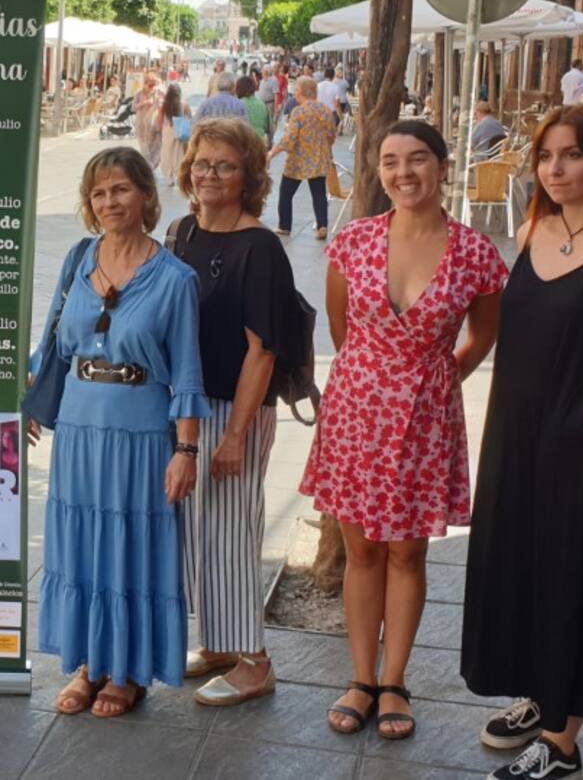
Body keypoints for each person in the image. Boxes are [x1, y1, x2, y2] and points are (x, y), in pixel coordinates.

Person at [300, 120, 506, 741]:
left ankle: (395, 681)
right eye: (390, 162)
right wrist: (375, 379)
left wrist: (438, 378)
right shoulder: (354, 241)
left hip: (424, 419)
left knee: (408, 554)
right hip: (357, 412)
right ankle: (361, 679)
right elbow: (341, 330)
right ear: (378, 170)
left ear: (443, 167)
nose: (404, 173)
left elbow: (484, 336)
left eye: (418, 159)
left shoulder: (476, 253)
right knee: (362, 550)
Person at [34, 146, 209, 719]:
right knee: (84, 547)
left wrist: (185, 449)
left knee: (132, 548)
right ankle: (88, 664)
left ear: (146, 197)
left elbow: (186, 372)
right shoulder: (78, 258)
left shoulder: (175, 278)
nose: (109, 201)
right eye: (99, 192)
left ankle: (129, 671)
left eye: (121, 190)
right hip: (80, 429)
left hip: (140, 432)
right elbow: (54, 339)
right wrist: (33, 400)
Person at [462, 105, 583, 780]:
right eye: (546, 156)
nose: (556, 168)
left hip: (580, 433)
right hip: (517, 427)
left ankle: (563, 742)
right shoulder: (531, 227)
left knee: (571, 570)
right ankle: (543, 696)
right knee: (525, 560)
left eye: (572, 154)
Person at [168, 118, 301, 706]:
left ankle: (256, 661)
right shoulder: (180, 233)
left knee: (231, 534)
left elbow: (263, 349)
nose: (210, 174)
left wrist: (235, 436)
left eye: (224, 165)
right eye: (201, 162)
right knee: (197, 534)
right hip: (187, 408)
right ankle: (221, 643)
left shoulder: (260, 247)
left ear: (248, 175)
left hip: (234, 410)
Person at [269, 77, 337, 240]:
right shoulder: (325, 111)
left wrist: (272, 153)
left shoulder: (299, 112)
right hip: (319, 159)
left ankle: (285, 226)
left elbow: (289, 139)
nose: (295, 94)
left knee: (286, 193)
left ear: (301, 92)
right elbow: (331, 135)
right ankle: (322, 226)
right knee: (319, 194)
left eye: (297, 90)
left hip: (298, 161)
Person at [158, 83, 192, 185]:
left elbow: (160, 119)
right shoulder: (184, 104)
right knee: (178, 153)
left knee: (166, 153)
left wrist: (161, 130)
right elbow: (189, 117)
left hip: (167, 129)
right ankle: (179, 174)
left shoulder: (164, 104)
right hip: (179, 129)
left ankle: (169, 178)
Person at [133, 73, 163, 168]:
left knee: (156, 145)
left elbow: (166, 101)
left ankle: (152, 165)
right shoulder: (139, 93)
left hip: (154, 123)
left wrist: (161, 104)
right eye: (150, 85)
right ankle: (148, 166)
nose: (152, 87)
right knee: (144, 145)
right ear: (144, 84)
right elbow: (133, 107)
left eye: (154, 85)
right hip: (141, 123)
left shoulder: (158, 92)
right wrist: (144, 103)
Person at [236, 76, 271, 147]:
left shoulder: (237, 104)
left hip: (242, 142)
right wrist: (270, 144)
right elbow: (269, 128)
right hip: (259, 141)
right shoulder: (262, 104)